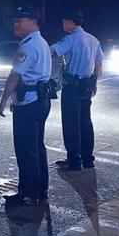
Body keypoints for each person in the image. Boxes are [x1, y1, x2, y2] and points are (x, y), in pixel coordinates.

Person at [0, 5, 52, 206]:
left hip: (28, 103)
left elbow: (14, 76)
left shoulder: (28, 45)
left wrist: (4, 99)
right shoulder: (42, 42)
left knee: (26, 149)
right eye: (14, 21)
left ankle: (29, 194)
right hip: (41, 100)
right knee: (37, 147)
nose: (16, 24)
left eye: (20, 21)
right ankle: (40, 190)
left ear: (33, 21)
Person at [50, 9, 104, 170]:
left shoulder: (71, 39)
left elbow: (53, 51)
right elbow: (99, 64)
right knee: (86, 122)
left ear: (70, 22)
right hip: (86, 85)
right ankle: (88, 159)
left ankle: (74, 160)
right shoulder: (93, 39)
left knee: (71, 123)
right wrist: (94, 81)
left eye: (64, 21)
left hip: (72, 86)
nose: (63, 24)